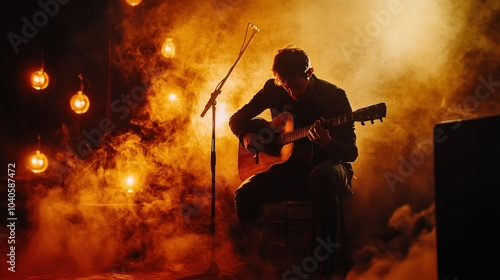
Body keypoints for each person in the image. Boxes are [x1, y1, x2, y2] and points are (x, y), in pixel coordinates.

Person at [228, 45, 358, 279]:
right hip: (291, 170)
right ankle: (258, 262)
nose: (291, 92)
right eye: (286, 86)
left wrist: (328, 144)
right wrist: (247, 136)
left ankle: (325, 268)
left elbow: (351, 152)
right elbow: (237, 120)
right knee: (244, 193)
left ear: (310, 72)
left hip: (331, 167)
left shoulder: (334, 96)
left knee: (321, 175)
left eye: (296, 86)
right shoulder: (273, 89)